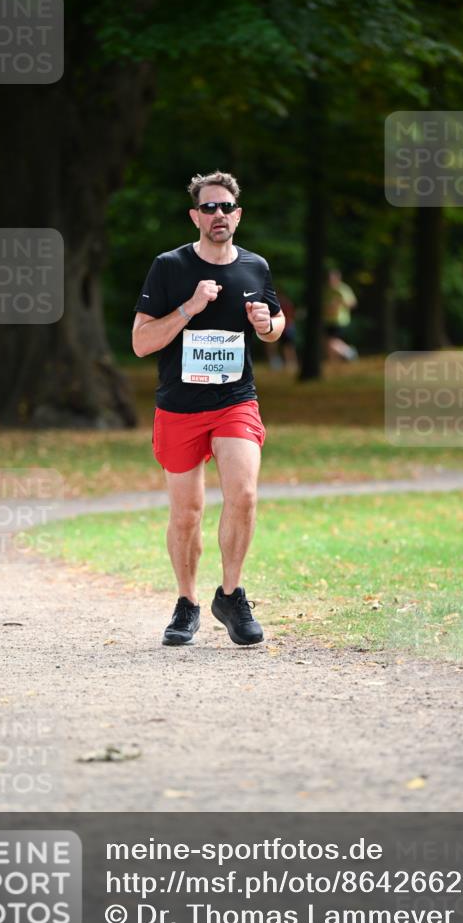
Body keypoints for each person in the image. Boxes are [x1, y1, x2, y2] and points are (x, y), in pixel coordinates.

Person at [132, 171, 285, 647]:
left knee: (243, 494)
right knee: (187, 513)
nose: (218, 215)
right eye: (209, 207)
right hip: (179, 406)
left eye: (226, 208)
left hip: (234, 401)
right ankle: (186, 602)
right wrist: (188, 308)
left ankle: (231, 594)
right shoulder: (169, 267)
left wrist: (267, 324)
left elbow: (274, 323)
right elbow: (140, 343)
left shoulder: (255, 268)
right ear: (195, 215)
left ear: (237, 215)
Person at [323, 268, 358, 361]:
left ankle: (350, 352)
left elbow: (353, 303)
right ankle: (334, 363)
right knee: (328, 344)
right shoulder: (326, 289)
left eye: (332, 278)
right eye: (329, 278)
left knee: (331, 343)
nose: (331, 280)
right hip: (328, 320)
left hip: (340, 320)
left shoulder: (343, 289)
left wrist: (340, 303)